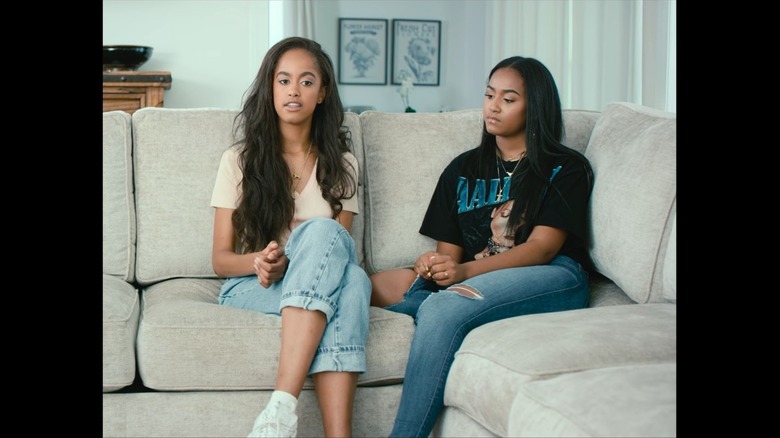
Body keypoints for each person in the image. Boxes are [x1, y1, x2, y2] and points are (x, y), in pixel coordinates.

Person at [370, 56, 595, 437]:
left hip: (553, 274)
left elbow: (542, 247)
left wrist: (462, 273)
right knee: (400, 299)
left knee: (440, 309)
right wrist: (434, 265)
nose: (492, 106)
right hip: (474, 284)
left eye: (508, 99)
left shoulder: (565, 166)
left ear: (535, 106)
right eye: (489, 95)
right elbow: (449, 257)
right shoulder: (462, 170)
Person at [210, 36, 369, 438]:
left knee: (351, 279)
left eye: (306, 81)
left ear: (323, 92)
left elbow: (339, 253)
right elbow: (220, 260)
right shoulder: (239, 160)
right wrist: (260, 261)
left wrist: (298, 259)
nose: (293, 90)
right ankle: (287, 410)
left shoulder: (344, 165)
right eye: (283, 80)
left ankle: (292, 418)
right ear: (270, 88)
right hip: (250, 286)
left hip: (315, 280)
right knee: (347, 277)